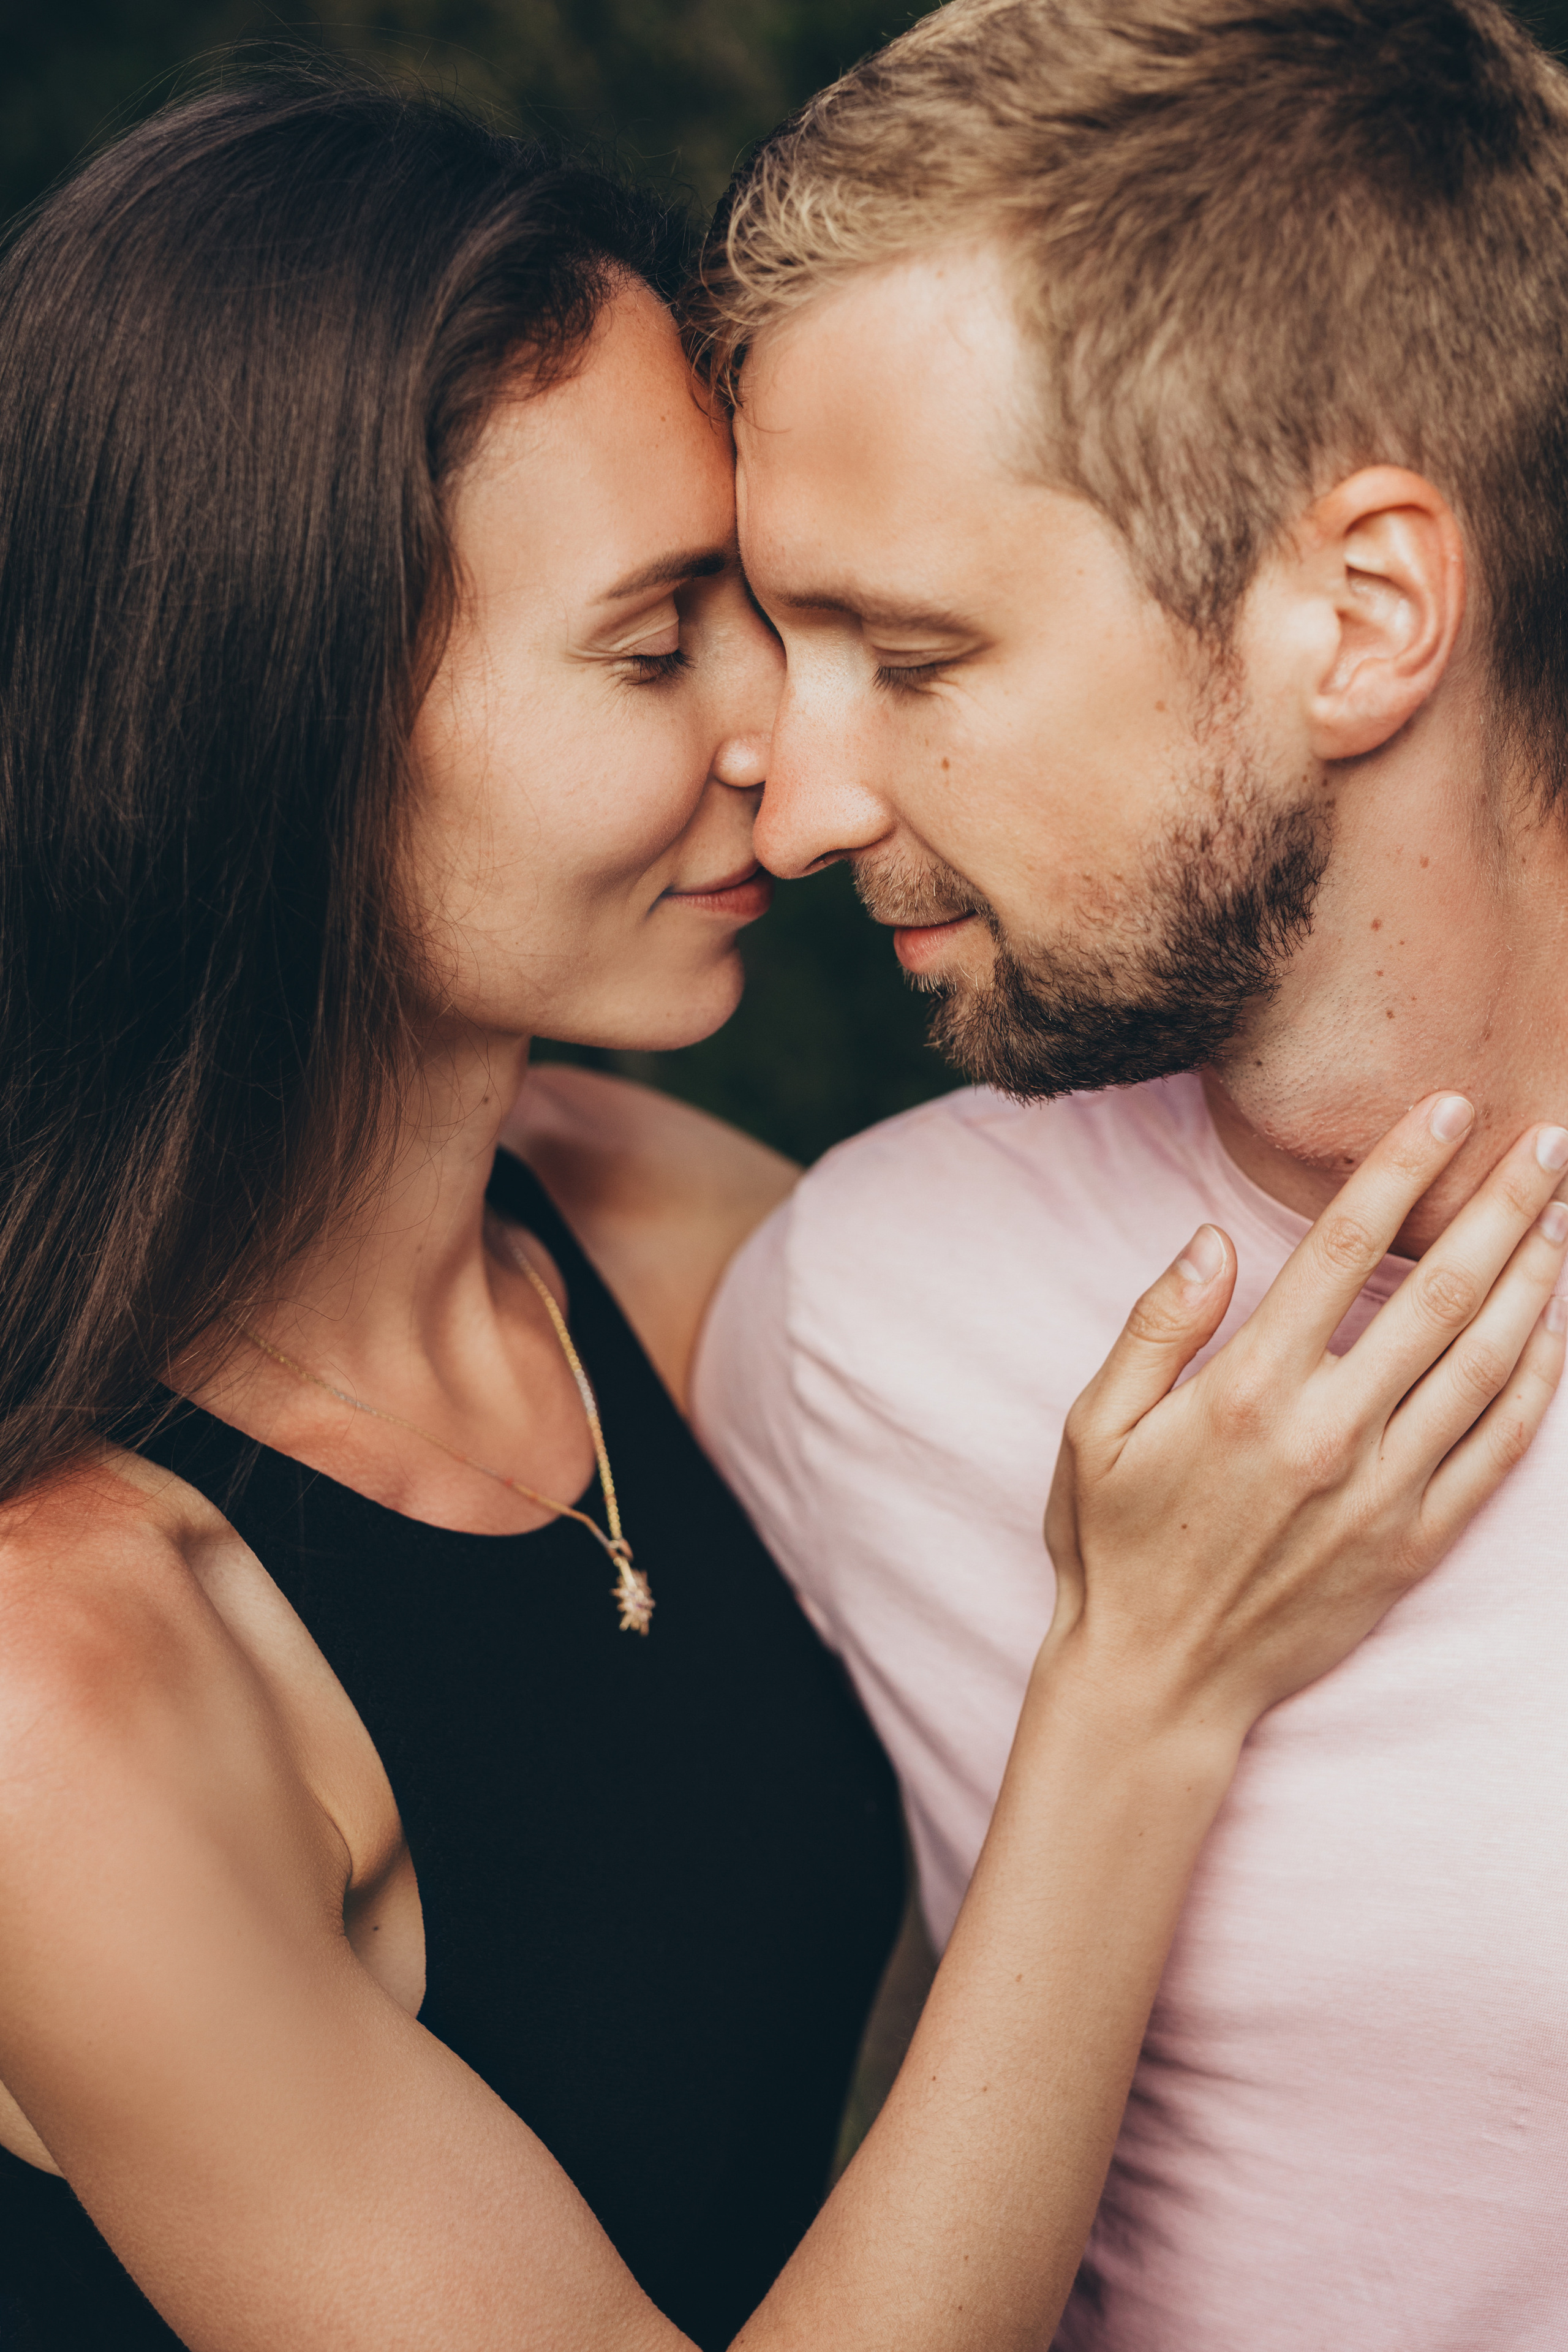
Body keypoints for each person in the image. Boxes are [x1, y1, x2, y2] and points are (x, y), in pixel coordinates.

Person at [0, 57, 1559, 2352]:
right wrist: (1140, 1690)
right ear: (279, 728)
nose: (798, 771)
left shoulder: (682, 1251)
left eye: (850, 635)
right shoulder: (67, 1676)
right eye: (663, 644)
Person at [687, 1, 1568, 2345]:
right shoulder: (848, 1327)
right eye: (790, 639)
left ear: (1362, 614)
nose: (799, 804)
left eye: (912, 648)